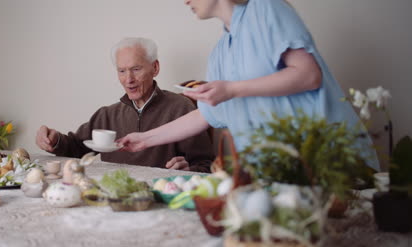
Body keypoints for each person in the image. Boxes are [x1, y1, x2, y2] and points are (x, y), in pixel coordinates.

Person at [118, 0, 380, 170]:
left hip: (334, 166)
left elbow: (308, 74)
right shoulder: (221, 51)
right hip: (286, 176)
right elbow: (206, 115)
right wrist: (145, 139)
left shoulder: (266, 8)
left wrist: (232, 89)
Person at [35, 37, 215, 172]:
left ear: (155, 68)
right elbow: (75, 147)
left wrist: (188, 169)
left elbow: (206, 164)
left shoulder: (181, 107)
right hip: (111, 197)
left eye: (136, 69)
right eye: (122, 71)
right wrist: (53, 139)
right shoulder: (107, 114)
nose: (129, 79)